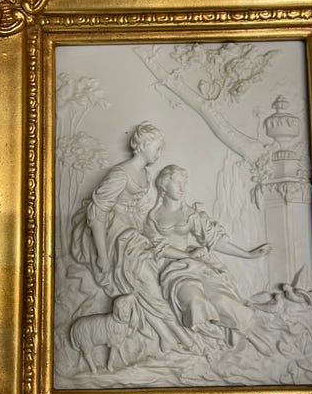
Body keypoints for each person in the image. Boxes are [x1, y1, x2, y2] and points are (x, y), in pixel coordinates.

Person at [71, 124, 194, 352]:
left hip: (132, 228)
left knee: (142, 288)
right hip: (116, 236)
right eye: (157, 148)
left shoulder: (144, 174)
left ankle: (167, 338)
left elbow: (136, 209)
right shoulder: (120, 174)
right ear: (143, 146)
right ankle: (183, 339)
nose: (160, 153)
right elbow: (97, 213)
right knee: (148, 285)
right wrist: (102, 255)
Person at [145, 165, 272, 349]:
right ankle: (213, 341)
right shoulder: (153, 217)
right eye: (177, 183)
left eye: (184, 183)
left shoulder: (190, 214)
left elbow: (215, 240)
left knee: (221, 301)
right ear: (164, 185)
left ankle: (249, 335)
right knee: (195, 302)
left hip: (198, 266)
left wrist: (248, 255)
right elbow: (160, 247)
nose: (182, 188)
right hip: (175, 271)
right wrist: (188, 255)